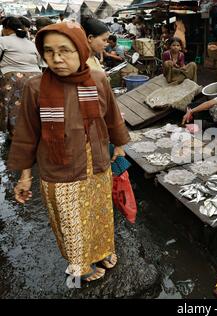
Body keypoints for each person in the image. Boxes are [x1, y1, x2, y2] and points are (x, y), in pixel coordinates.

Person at [7, 22, 130, 283]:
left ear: (81, 50)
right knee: (71, 222)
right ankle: (80, 266)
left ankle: (101, 250)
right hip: (58, 169)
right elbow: (27, 134)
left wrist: (118, 146)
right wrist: (25, 176)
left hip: (96, 162)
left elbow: (111, 116)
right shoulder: (36, 86)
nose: (57, 58)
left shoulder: (98, 79)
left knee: (99, 213)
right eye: (49, 51)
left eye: (65, 50)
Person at [0, 16, 41, 136]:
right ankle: (30, 132)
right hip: (36, 78)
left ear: (7, 28)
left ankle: (14, 134)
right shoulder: (31, 44)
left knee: (12, 107)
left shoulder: (3, 40)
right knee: (30, 106)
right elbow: (38, 61)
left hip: (12, 78)